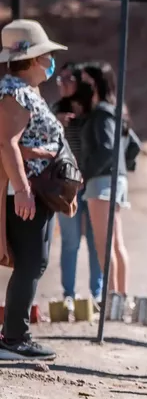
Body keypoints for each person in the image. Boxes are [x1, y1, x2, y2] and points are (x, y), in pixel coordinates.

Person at [0, 19, 68, 359]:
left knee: (33, 261)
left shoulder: (24, 92)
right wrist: (23, 189)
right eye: (46, 56)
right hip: (26, 191)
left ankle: (15, 334)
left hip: (35, 189)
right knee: (31, 261)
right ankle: (14, 337)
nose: (50, 63)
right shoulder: (15, 94)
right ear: (32, 59)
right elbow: (7, 143)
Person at [74, 62, 134, 301]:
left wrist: (84, 173)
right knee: (115, 242)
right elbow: (131, 145)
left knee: (104, 243)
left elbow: (108, 148)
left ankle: (111, 297)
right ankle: (119, 297)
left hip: (102, 182)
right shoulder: (114, 110)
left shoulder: (102, 113)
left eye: (86, 80)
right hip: (113, 179)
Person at [52, 63, 102, 302]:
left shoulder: (93, 113)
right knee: (70, 241)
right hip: (66, 185)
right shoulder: (53, 112)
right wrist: (57, 122)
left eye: (67, 78)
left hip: (91, 182)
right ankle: (68, 294)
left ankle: (97, 292)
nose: (62, 84)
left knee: (96, 240)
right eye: (59, 79)